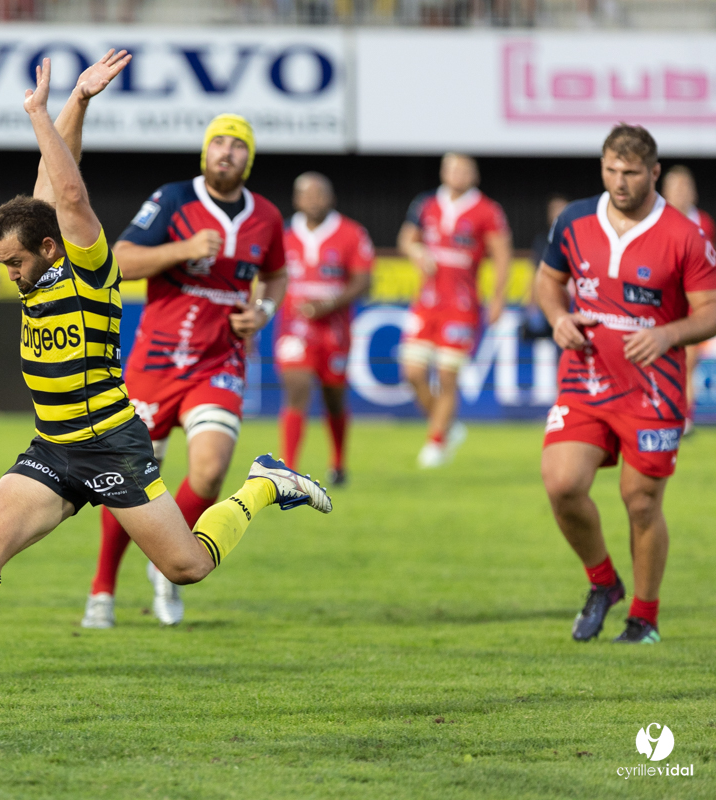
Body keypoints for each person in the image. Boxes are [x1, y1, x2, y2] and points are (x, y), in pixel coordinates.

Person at [0, 52, 331, 719]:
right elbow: (47, 189)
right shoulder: (37, 257)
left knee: (188, 568)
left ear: (52, 248)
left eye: (16, 261)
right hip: (55, 446)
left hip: (111, 443)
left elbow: (71, 196)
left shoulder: (90, 268)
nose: (10, 273)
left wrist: (36, 113)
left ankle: (265, 484)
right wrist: (74, 104)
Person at [80, 113, 289, 629]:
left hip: (219, 364)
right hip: (155, 362)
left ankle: (166, 566)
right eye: (218, 141)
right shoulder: (174, 199)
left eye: (238, 145)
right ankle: (102, 588)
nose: (227, 151)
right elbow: (121, 260)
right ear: (205, 152)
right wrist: (185, 250)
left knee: (212, 470)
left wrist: (261, 312)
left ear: (249, 157)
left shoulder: (267, 216)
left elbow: (277, 274)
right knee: (127, 481)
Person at [536, 124, 716, 644]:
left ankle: (644, 617)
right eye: (611, 169)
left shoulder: (684, 234)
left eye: (632, 172)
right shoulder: (573, 219)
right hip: (585, 377)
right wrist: (556, 318)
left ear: (653, 172)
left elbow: (709, 312)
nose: (620, 181)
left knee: (640, 502)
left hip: (652, 389)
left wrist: (668, 335)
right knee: (562, 484)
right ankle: (603, 582)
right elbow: (549, 282)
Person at [397, 153, 512, 468]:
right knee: (412, 373)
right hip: (426, 302)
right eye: (452, 168)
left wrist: (498, 298)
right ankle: (447, 426)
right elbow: (406, 238)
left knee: (447, 376)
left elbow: (502, 254)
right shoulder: (426, 204)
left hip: (461, 306)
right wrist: (416, 249)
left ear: (474, 175)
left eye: (464, 169)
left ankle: (435, 441)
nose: (457, 174)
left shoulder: (487, 210)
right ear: (443, 171)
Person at [274, 172, 374, 485]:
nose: (314, 199)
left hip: (335, 331)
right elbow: (266, 277)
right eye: (307, 194)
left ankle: (338, 463)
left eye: (320, 194)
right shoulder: (282, 235)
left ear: (330, 198)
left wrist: (329, 304)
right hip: (294, 327)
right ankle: (287, 471)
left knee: (333, 398)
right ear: (296, 199)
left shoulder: (351, 233)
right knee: (296, 387)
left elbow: (363, 280)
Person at [661, 165, 716, 435]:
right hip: (663, 300)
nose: (681, 193)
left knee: (688, 358)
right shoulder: (657, 220)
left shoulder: (703, 222)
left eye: (685, 187)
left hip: (693, 302)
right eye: (675, 187)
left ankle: (685, 417)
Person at [521, 194, 570, 341]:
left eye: (562, 210)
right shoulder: (542, 241)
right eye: (554, 210)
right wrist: (531, 302)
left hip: (571, 302)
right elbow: (537, 273)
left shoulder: (579, 239)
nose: (557, 214)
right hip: (548, 300)